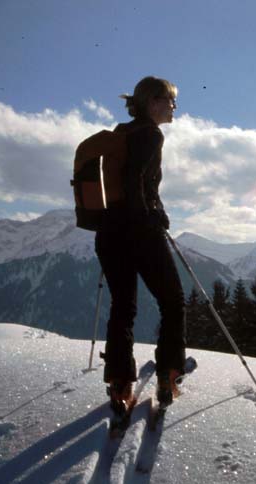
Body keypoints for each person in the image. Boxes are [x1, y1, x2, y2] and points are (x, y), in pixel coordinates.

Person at [95, 76, 186, 411]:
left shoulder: (121, 133)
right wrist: (153, 216)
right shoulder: (150, 134)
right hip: (138, 231)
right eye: (170, 100)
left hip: (108, 232)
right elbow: (137, 181)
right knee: (173, 301)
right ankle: (169, 375)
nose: (174, 107)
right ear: (153, 103)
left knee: (123, 306)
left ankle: (119, 384)